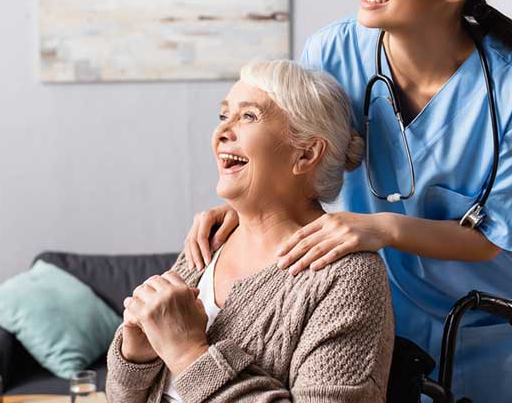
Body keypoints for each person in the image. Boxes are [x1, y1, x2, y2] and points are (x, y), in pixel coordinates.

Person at [185, 0, 512, 402]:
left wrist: (381, 227)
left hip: (482, 334)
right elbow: (291, 156)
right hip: (364, 324)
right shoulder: (333, 54)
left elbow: (494, 236)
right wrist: (246, 210)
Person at [105, 60, 394, 403]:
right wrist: (138, 356)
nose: (221, 133)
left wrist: (186, 353)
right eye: (223, 116)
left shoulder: (347, 277)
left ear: (306, 153)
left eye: (248, 116)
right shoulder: (210, 241)